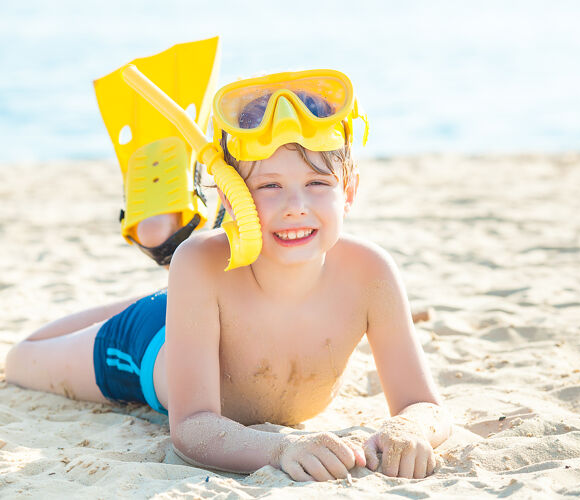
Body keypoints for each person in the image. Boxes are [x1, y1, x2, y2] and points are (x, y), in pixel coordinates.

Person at [4, 66, 451, 481]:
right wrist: (281, 448)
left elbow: (424, 405)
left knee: (178, 285)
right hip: (146, 343)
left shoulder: (369, 272)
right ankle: (162, 260)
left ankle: (170, 282)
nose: (296, 205)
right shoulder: (201, 262)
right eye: (269, 186)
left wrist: (410, 429)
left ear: (349, 190)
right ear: (231, 196)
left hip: (197, 306)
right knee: (22, 359)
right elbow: (193, 428)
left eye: (317, 184)